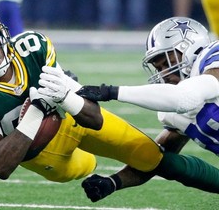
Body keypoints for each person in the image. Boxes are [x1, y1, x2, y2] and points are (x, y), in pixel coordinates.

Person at [0, 6, 219, 196]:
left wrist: (73, 94)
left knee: (149, 155)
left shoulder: (33, 47)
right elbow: (2, 168)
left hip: (69, 120)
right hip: (35, 149)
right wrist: (37, 110)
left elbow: (96, 118)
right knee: (84, 167)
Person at [75, 16, 219, 202]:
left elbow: (186, 97)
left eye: (168, 63)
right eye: (158, 68)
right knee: (160, 158)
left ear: (191, 49)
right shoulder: (174, 111)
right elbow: (152, 160)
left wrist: (111, 92)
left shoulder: (212, 58)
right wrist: (114, 182)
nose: (164, 74)